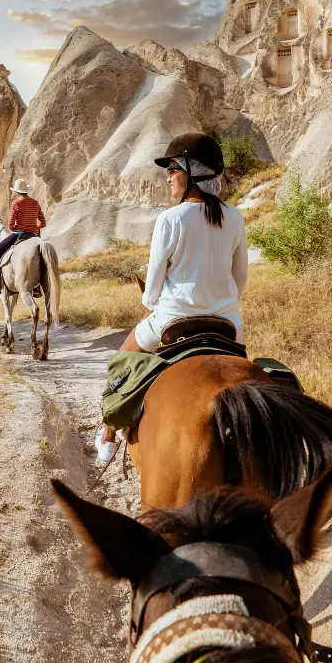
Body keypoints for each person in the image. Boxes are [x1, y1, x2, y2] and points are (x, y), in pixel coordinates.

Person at [95, 132, 249, 461]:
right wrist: (222, 302)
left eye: (173, 169)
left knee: (120, 361)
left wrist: (150, 306)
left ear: (193, 173)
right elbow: (240, 278)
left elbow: (152, 284)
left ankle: (108, 436)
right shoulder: (235, 218)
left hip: (171, 319)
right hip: (228, 323)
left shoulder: (170, 218)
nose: (168, 176)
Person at [0, 178, 47, 294]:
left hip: (19, 234)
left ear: (17, 192)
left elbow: (11, 225)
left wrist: (20, 227)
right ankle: (37, 288)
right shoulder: (35, 203)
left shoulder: (16, 203)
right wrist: (34, 227)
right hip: (33, 235)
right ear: (27, 191)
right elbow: (43, 223)